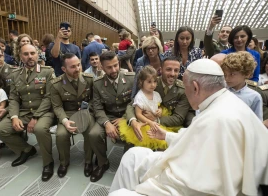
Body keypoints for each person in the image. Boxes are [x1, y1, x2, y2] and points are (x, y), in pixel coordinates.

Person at [109, 59, 268, 196]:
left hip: (194, 186)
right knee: (134, 154)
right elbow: (197, 141)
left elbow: (185, 184)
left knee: (119, 194)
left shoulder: (218, 118)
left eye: (185, 88)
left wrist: (145, 187)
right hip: (196, 170)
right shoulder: (225, 102)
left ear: (195, 87)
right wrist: (166, 136)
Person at [0, 44, 55, 181]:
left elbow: (49, 97)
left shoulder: (47, 72)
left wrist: (36, 117)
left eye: (32, 53)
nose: (30, 56)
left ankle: (48, 162)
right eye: (26, 54)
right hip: (24, 111)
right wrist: (14, 117)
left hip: (44, 111)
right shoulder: (15, 74)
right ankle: (27, 149)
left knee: (39, 129)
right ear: (20, 56)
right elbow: (14, 98)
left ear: (37, 54)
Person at [90, 51, 136, 182]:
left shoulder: (131, 78)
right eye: (109, 67)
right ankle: (102, 163)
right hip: (108, 116)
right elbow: (97, 107)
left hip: (127, 115)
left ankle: (126, 165)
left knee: (132, 132)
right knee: (94, 134)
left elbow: (135, 102)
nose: (114, 69)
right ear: (102, 67)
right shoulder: (97, 83)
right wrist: (106, 124)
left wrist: (126, 118)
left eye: (116, 65)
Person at [50, 53, 95, 181]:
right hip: (67, 113)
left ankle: (88, 161)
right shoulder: (56, 84)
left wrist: (87, 108)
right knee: (61, 135)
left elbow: (94, 99)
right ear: (64, 69)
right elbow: (57, 107)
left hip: (85, 112)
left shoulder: (89, 79)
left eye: (79, 65)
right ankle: (64, 163)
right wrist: (65, 121)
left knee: (91, 132)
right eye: (73, 67)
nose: (78, 69)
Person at [119, 66, 181, 150]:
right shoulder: (140, 97)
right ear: (141, 82)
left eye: (155, 81)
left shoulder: (156, 94)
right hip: (144, 124)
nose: (153, 85)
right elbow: (138, 114)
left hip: (154, 122)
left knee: (161, 142)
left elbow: (159, 105)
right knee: (144, 146)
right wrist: (150, 123)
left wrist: (160, 110)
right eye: (149, 82)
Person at [221, 51, 263, 120]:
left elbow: (257, 122)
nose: (227, 78)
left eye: (232, 74)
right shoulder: (219, 90)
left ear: (246, 74)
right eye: (225, 74)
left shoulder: (254, 97)